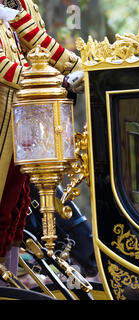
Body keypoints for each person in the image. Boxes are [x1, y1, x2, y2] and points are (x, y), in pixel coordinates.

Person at [0, 0, 83, 282]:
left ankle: (8, 277)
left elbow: (38, 48)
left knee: (15, 206)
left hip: (21, 119)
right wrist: (54, 80)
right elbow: (3, 67)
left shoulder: (23, 4)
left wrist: (75, 67)